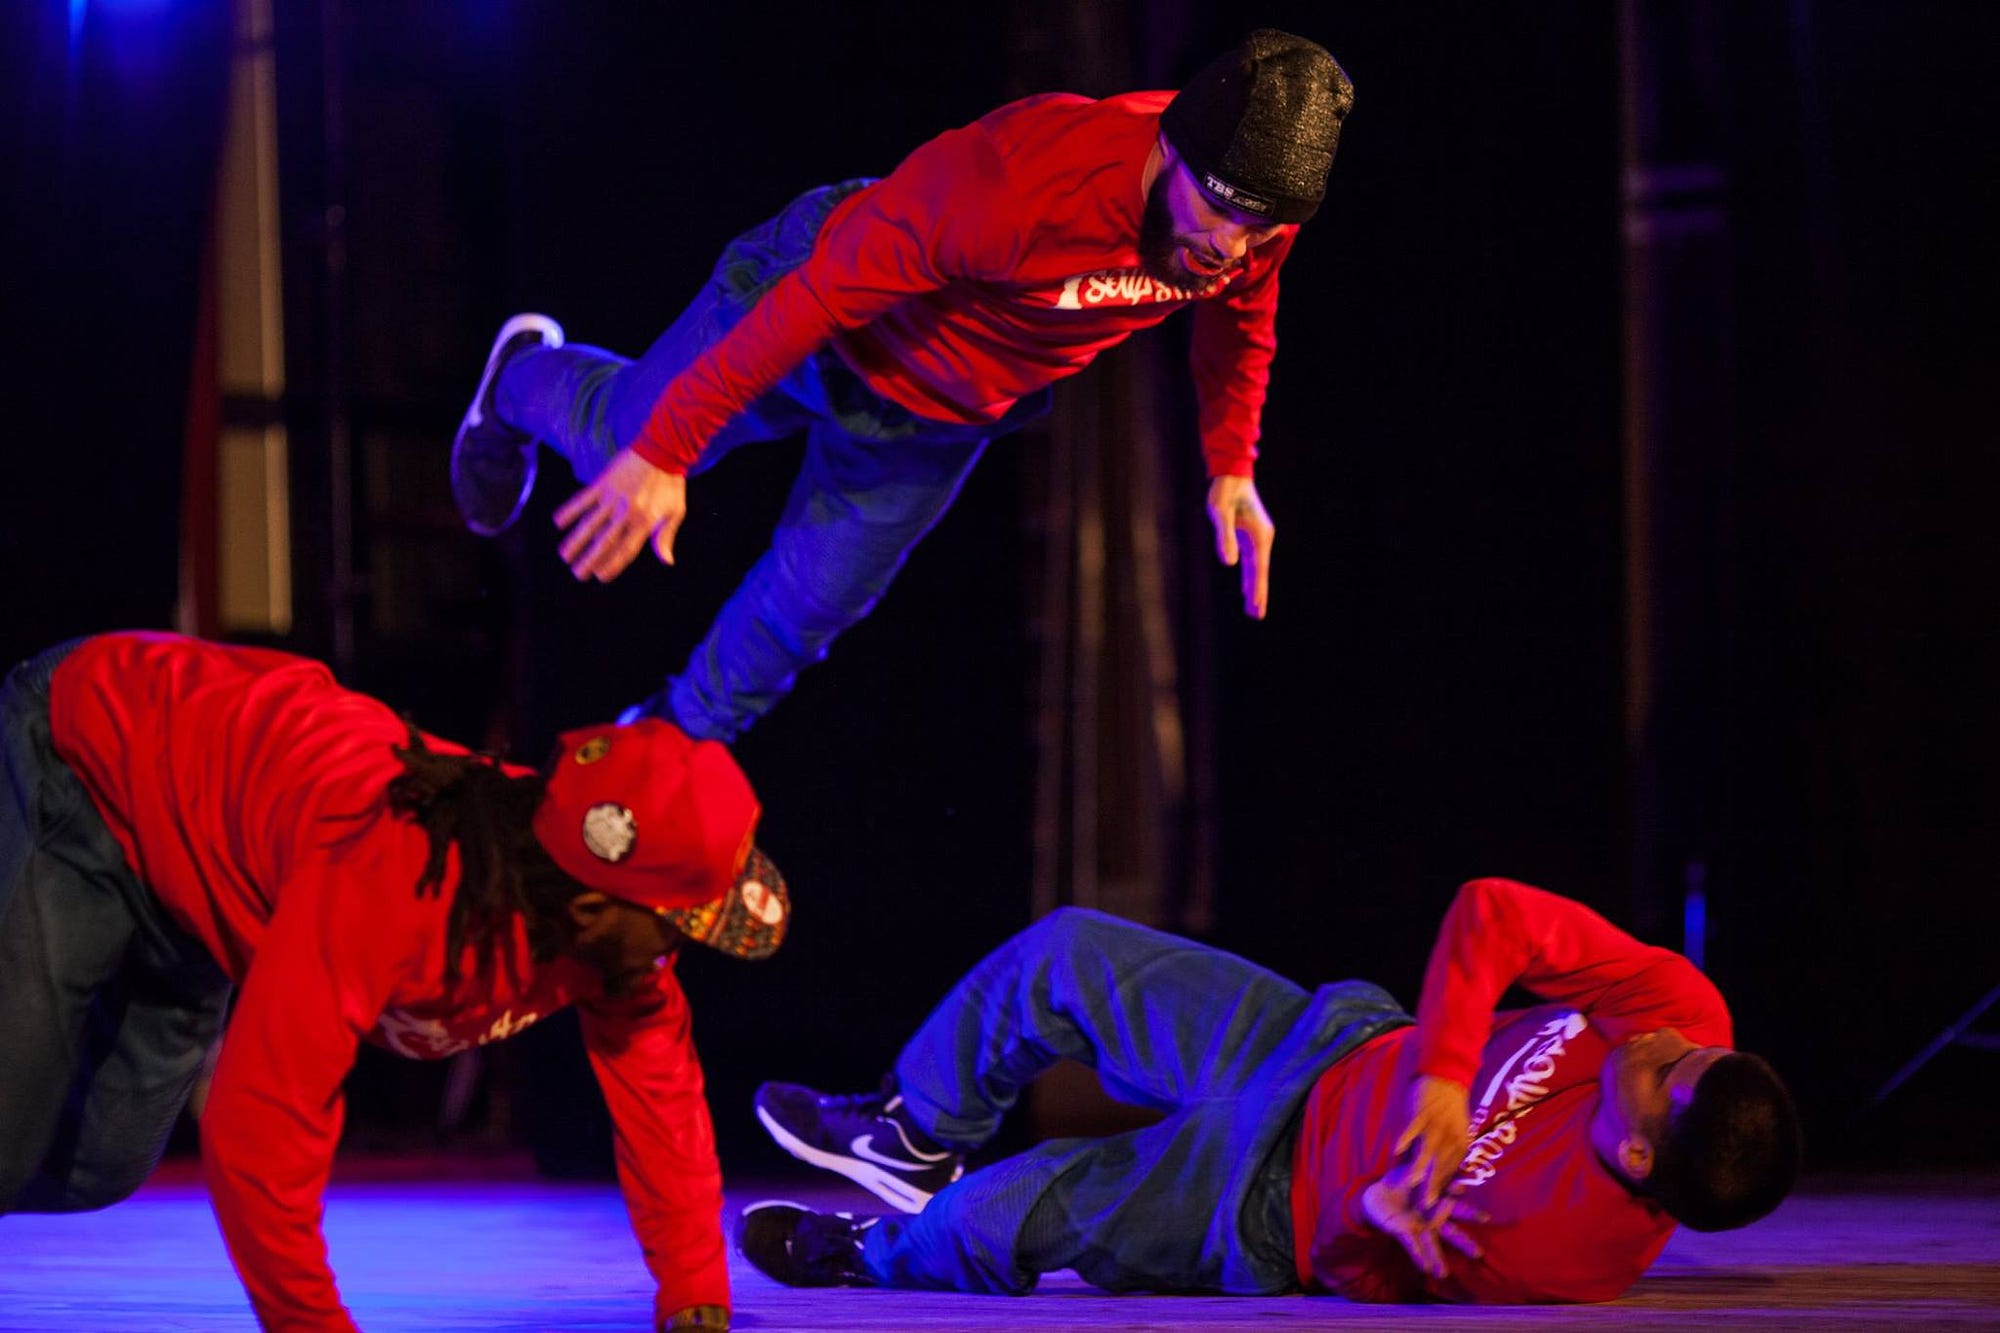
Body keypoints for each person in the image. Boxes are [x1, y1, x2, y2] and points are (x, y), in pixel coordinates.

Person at [449, 30, 1354, 742]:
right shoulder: (1016, 185)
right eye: (1218, 210)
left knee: (806, 609)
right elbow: (816, 298)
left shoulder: (1254, 224)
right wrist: (668, 447)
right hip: (818, 319)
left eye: (1258, 228)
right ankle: (517, 377)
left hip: (935, 420)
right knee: (622, 443)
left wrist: (1232, 463)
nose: (1229, 248)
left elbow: (1242, 323)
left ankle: (659, 750)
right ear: (1172, 149)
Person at [0, 632, 793, 1332]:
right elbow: (258, 1131)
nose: (681, 952)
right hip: (93, 754)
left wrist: (694, 1295)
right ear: (593, 908)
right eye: (682, 922)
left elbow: (661, 1095)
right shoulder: (392, 879)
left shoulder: (601, 920)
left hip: (198, 858)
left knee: (99, 1165)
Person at [739, 878, 1801, 1303]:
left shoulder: (1564, 1253)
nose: (1663, 1040)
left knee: (1016, 1208)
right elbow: (1494, 912)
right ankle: (914, 1129)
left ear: (1638, 1153)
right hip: (1326, 1047)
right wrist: (1440, 1075)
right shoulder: (1680, 1009)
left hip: (1265, 1206)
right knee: (1064, 954)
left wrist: (1367, 1209)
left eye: (1665, 1071)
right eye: (1691, 1049)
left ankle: (869, 1255)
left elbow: (1353, 1271)